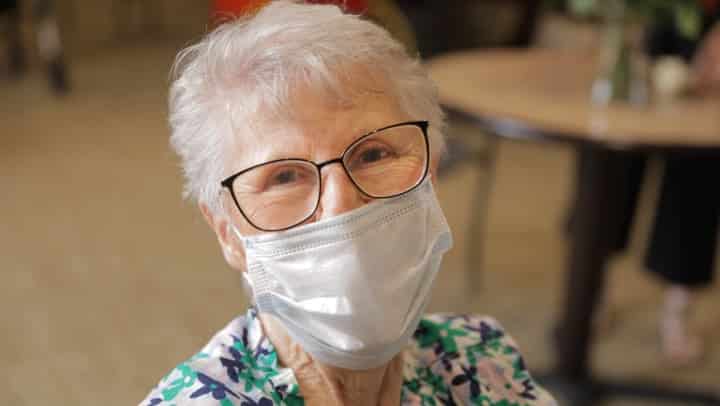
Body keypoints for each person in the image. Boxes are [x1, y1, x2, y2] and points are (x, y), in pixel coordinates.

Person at [141, 1, 556, 405]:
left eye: (373, 154)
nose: (342, 207)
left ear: (430, 171)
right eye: (284, 177)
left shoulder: (479, 357)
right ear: (228, 233)